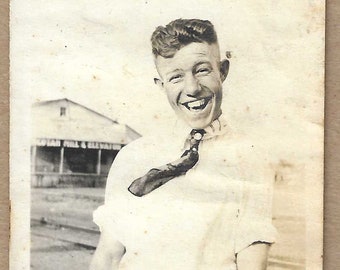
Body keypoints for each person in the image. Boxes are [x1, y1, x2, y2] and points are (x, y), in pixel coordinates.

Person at [90, 18, 276, 270]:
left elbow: (253, 262)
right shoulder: (133, 156)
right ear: (161, 85)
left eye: (202, 70)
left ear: (222, 71)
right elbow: (109, 256)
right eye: (176, 77)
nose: (192, 88)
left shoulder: (251, 158)